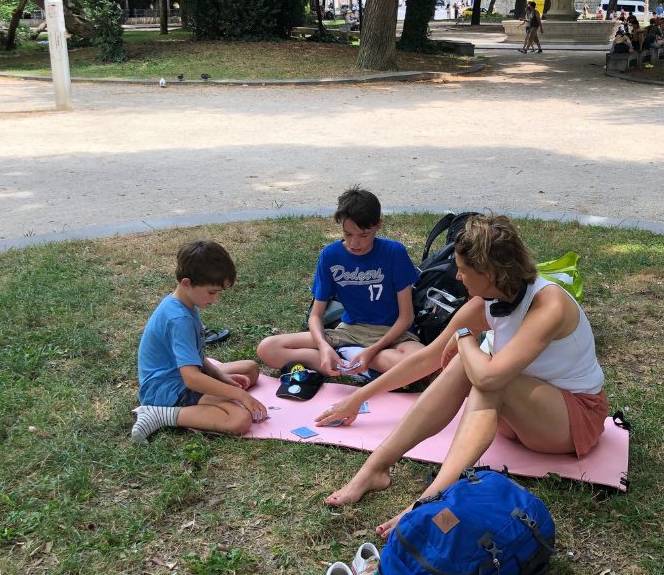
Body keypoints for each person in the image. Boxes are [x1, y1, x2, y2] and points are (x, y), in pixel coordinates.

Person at [317, 215, 608, 535]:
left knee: (485, 372)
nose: (457, 275)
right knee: (470, 364)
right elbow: (426, 359)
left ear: (490, 272)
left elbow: (487, 378)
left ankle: (428, 500)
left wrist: (465, 338)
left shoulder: (549, 305)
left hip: (573, 420)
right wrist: (358, 398)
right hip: (523, 419)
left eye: (464, 270)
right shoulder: (488, 300)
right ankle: (375, 468)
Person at [257, 186, 424, 377]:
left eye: (363, 235)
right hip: (349, 332)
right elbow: (315, 315)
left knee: (419, 360)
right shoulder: (330, 255)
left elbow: (406, 317)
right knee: (268, 348)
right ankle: (352, 362)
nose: (355, 243)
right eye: (348, 234)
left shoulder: (394, 252)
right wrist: (323, 346)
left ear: (378, 225)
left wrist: (372, 350)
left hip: (392, 335)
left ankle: (350, 360)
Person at [132, 241, 266, 444]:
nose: (216, 299)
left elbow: (195, 356)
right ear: (187, 283)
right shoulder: (180, 319)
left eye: (220, 292)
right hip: (167, 390)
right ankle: (157, 414)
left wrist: (220, 377)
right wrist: (239, 395)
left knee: (250, 369)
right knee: (239, 419)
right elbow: (192, 379)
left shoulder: (184, 303)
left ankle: (208, 395)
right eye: (212, 292)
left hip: (179, 375)